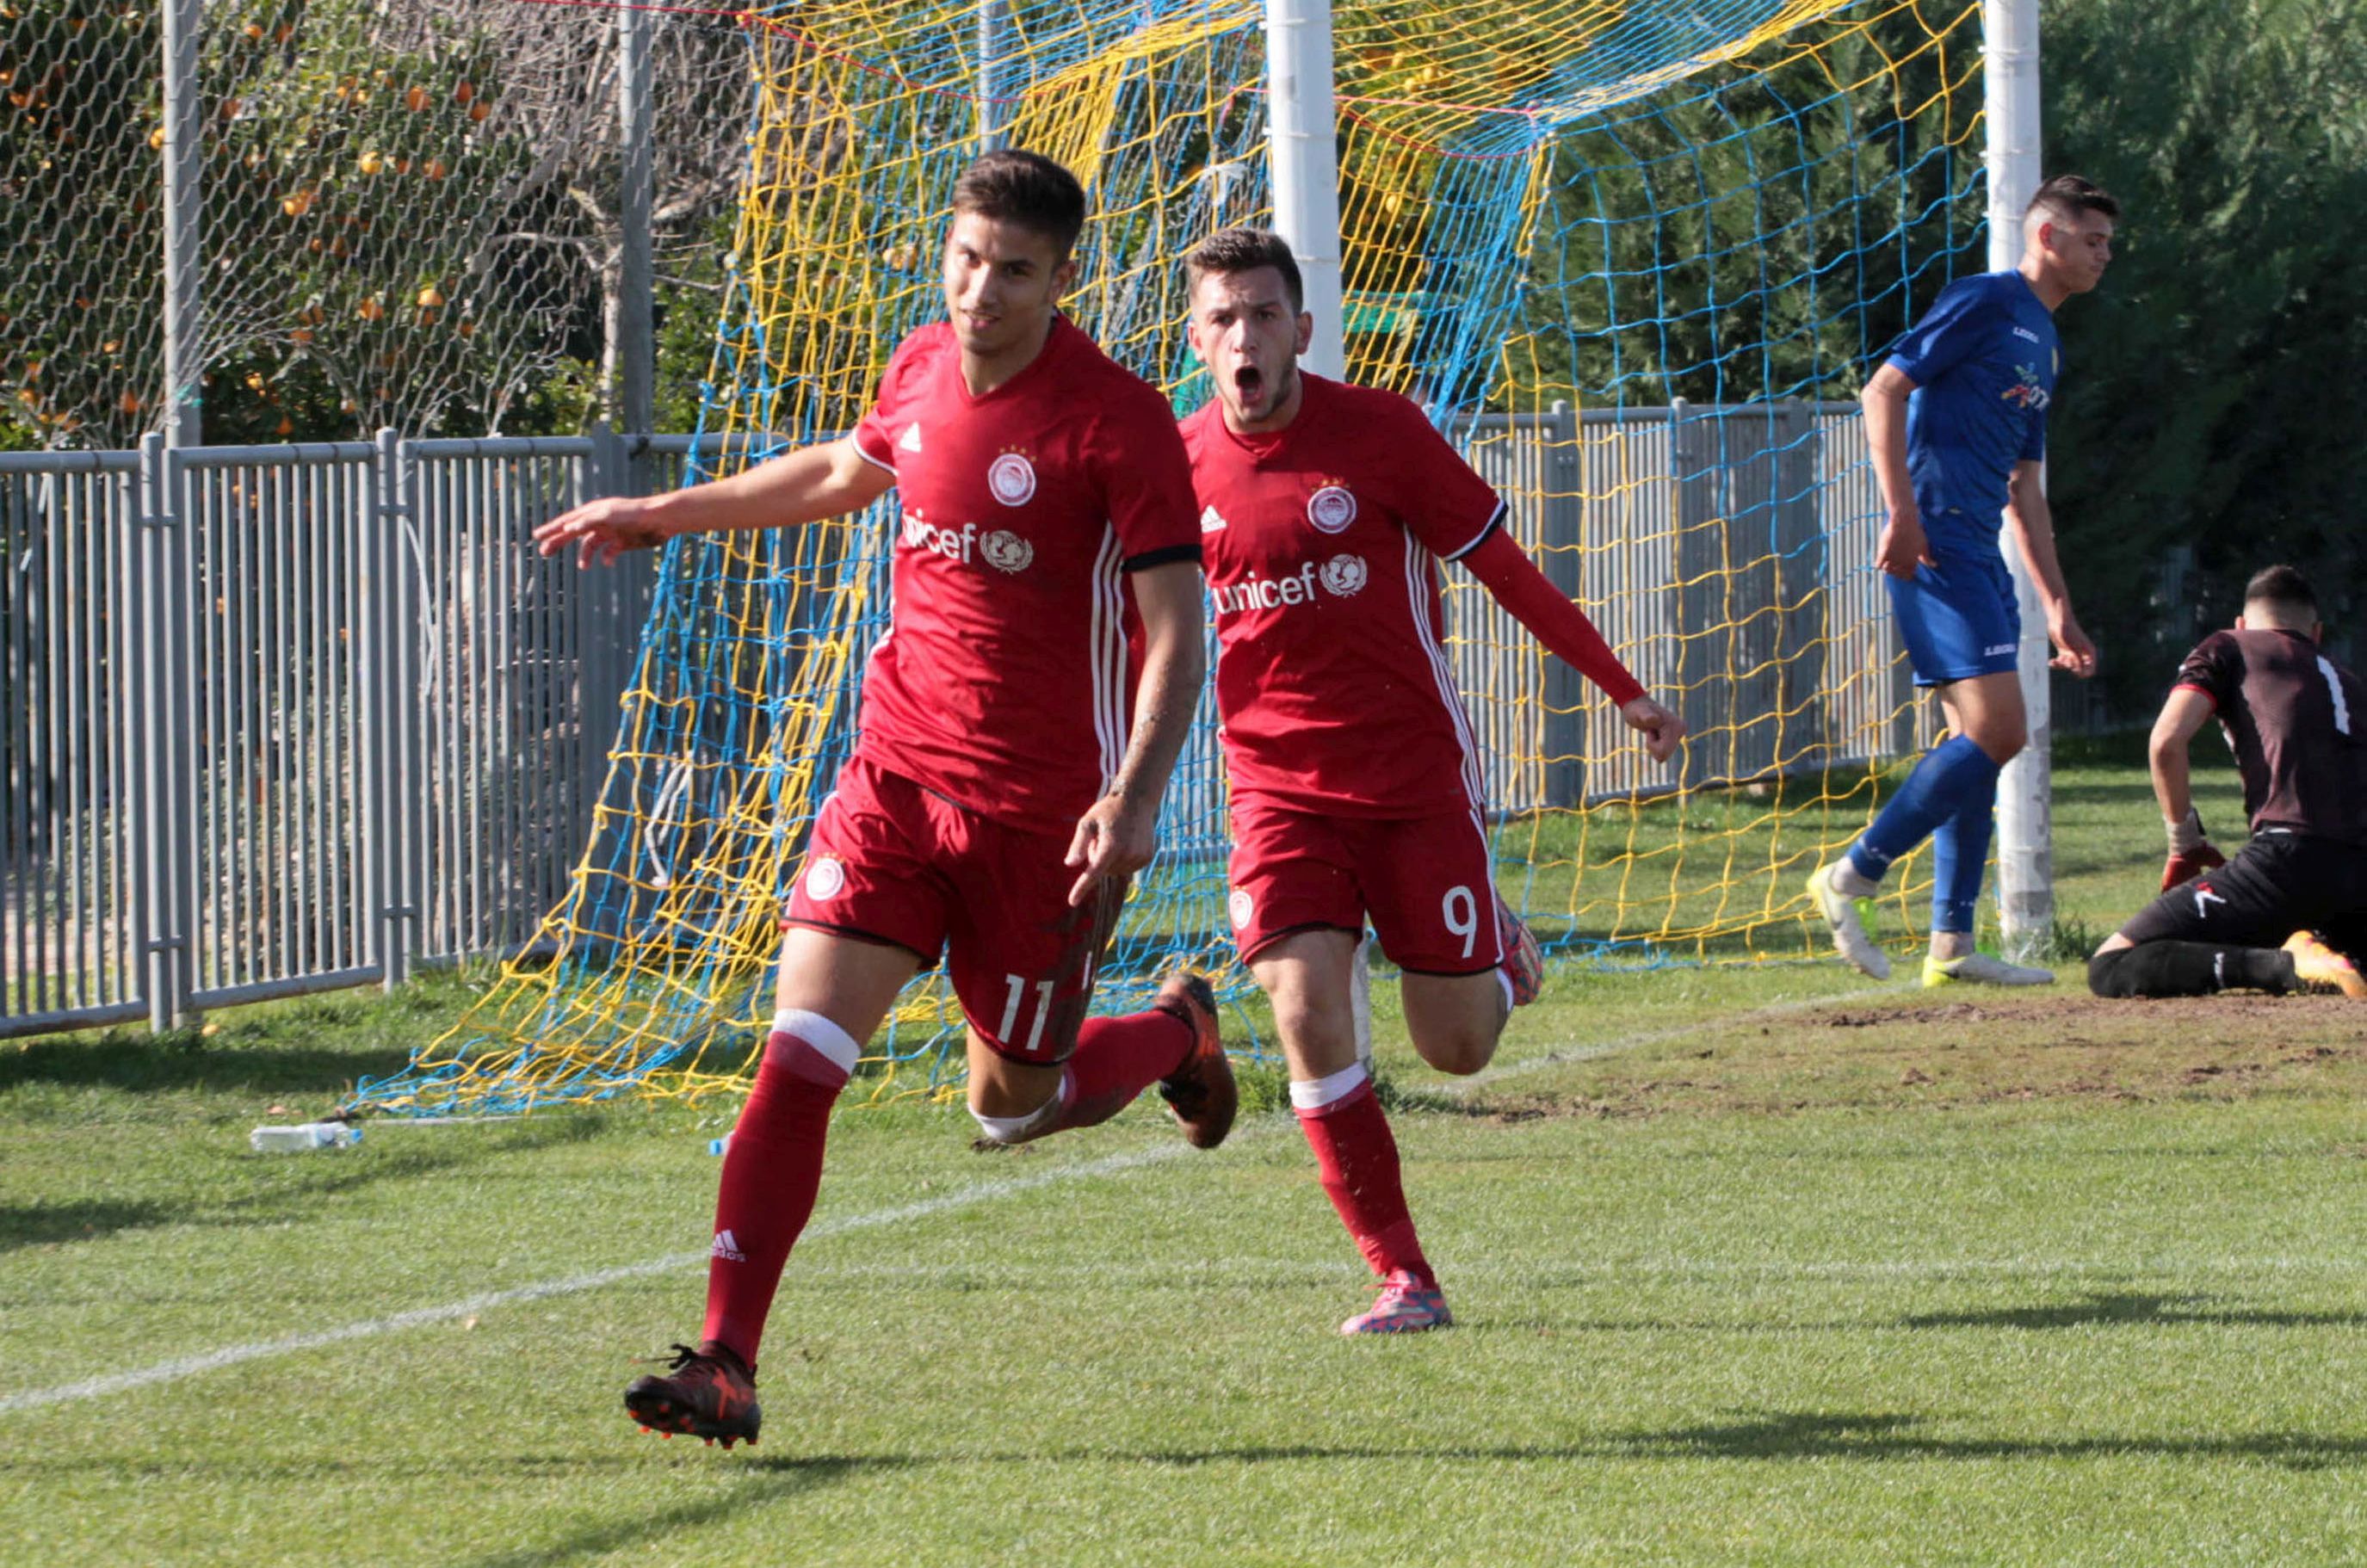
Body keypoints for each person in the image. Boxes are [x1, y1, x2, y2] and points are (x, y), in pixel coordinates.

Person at [533, 151, 1234, 1448]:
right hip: (895, 781)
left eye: (1013, 269)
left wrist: (1134, 797)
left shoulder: (1116, 420)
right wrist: (664, 513)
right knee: (800, 1051)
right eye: (965, 258)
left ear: (1061, 279)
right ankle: (726, 1358)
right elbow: (839, 474)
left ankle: (1175, 1030)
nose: (980, 290)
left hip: (1041, 821)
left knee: (1014, 1108)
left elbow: (1178, 633)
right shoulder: (916, 366)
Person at [1177, 227, 1685, 1334]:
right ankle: (1403, 1275)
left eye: (1262, 314)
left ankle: (1496, 947)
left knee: (1453, 1050)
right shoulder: (1175, 469)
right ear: (1196, 339)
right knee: (1305, 1009)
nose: (1243, 336)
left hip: (1413, 782)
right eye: (1222, 318)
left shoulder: (1382, 433)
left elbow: (1504, 571)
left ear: (1301, 329)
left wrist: (1623, 689)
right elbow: (1140, 629)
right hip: (1273, 789)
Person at [1808, 175, 2116, 986]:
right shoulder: (1984, 300)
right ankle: (1853, 873)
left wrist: (2058, 606)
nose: (2104, 256)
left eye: (2108, 244)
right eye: (2092, 240)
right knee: (2001, 732)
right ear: (2047, 235)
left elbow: (2026, 487)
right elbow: (1883, 388)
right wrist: (1901, 513)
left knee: (1974, 743)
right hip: (1937, 545)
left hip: (1981, 551)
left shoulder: (2045, 340)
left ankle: (1952, 945)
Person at [2087, 565, 2367, 998]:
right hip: (2357, 872)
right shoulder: (2348, 680)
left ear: (2241, 623)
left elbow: (2166, 742)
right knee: (2341, 951)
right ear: (2316, 633)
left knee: (2112, 964)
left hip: (2288, 860)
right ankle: (2321, 951)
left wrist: (2184, 841)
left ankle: (2283, 966)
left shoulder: (2230, 645)